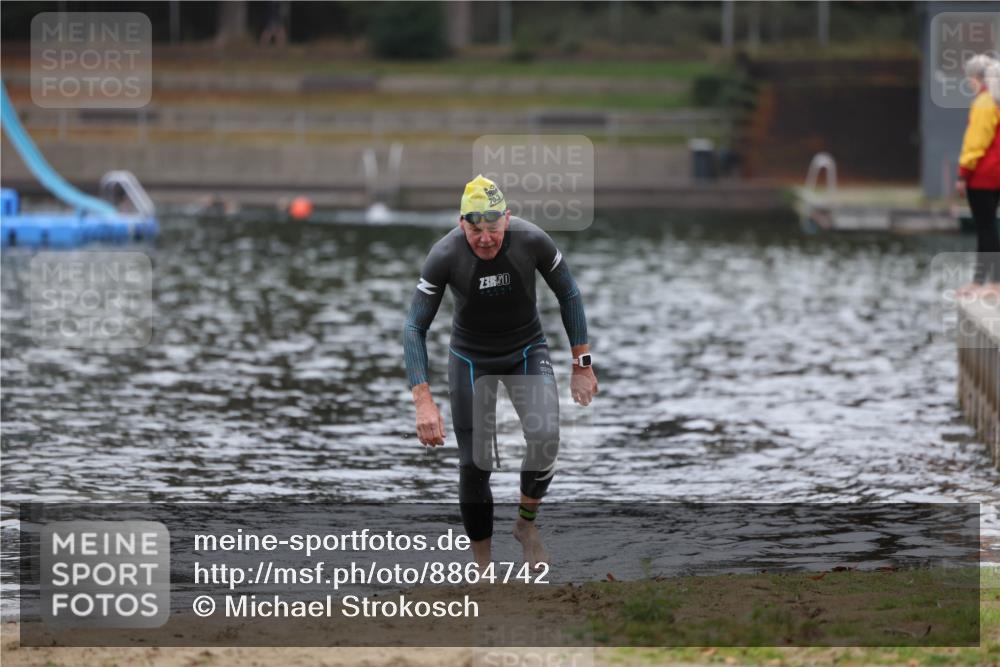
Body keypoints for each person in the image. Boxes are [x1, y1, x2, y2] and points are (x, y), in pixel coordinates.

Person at [402, 175, 597, 571]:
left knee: (545, 438)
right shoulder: (444, 255)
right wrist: (423, 401)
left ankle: (526, 525)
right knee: (475, 464)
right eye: (475, 230)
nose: (486, 239)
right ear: (462, 223)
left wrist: (582, 364)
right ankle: (483, 569)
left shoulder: (532, 240)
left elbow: (569, 293)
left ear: (507, 218)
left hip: (526, 349)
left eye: (493, 227)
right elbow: (414, 327)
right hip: (471, 358)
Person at [956, 55, 1000, 292]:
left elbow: (975, 143)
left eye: (970, 79)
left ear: (977, 77)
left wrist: (962, 174)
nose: (969, 84)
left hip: (983, 175)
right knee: (990, 227)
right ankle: (985, 281)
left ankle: (989, 282)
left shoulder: (984, 102)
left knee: (985, 228)